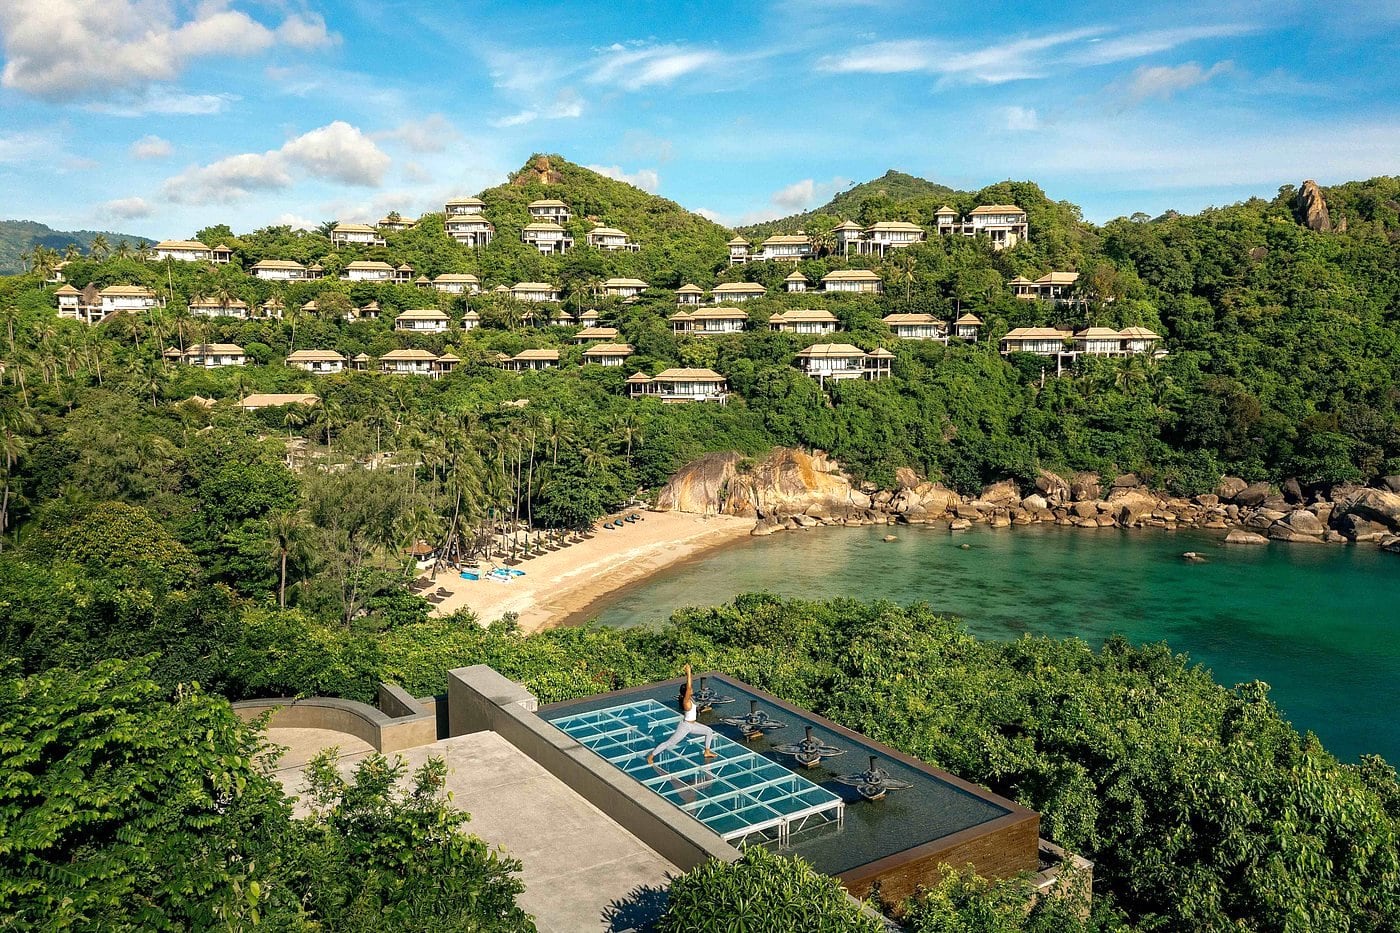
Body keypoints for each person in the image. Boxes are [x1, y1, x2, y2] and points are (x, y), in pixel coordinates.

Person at [647, 664, 718, 764]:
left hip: (692, 725)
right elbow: (689, 687)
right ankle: (651, 756)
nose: (692, 690)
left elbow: (688, 689)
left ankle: (707, 751)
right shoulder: (686, 701)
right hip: (685, 726)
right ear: (686, 693)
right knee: (669, 743)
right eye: (690, 690)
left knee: (709, 731)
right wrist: (688, 672)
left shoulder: (690, 699)